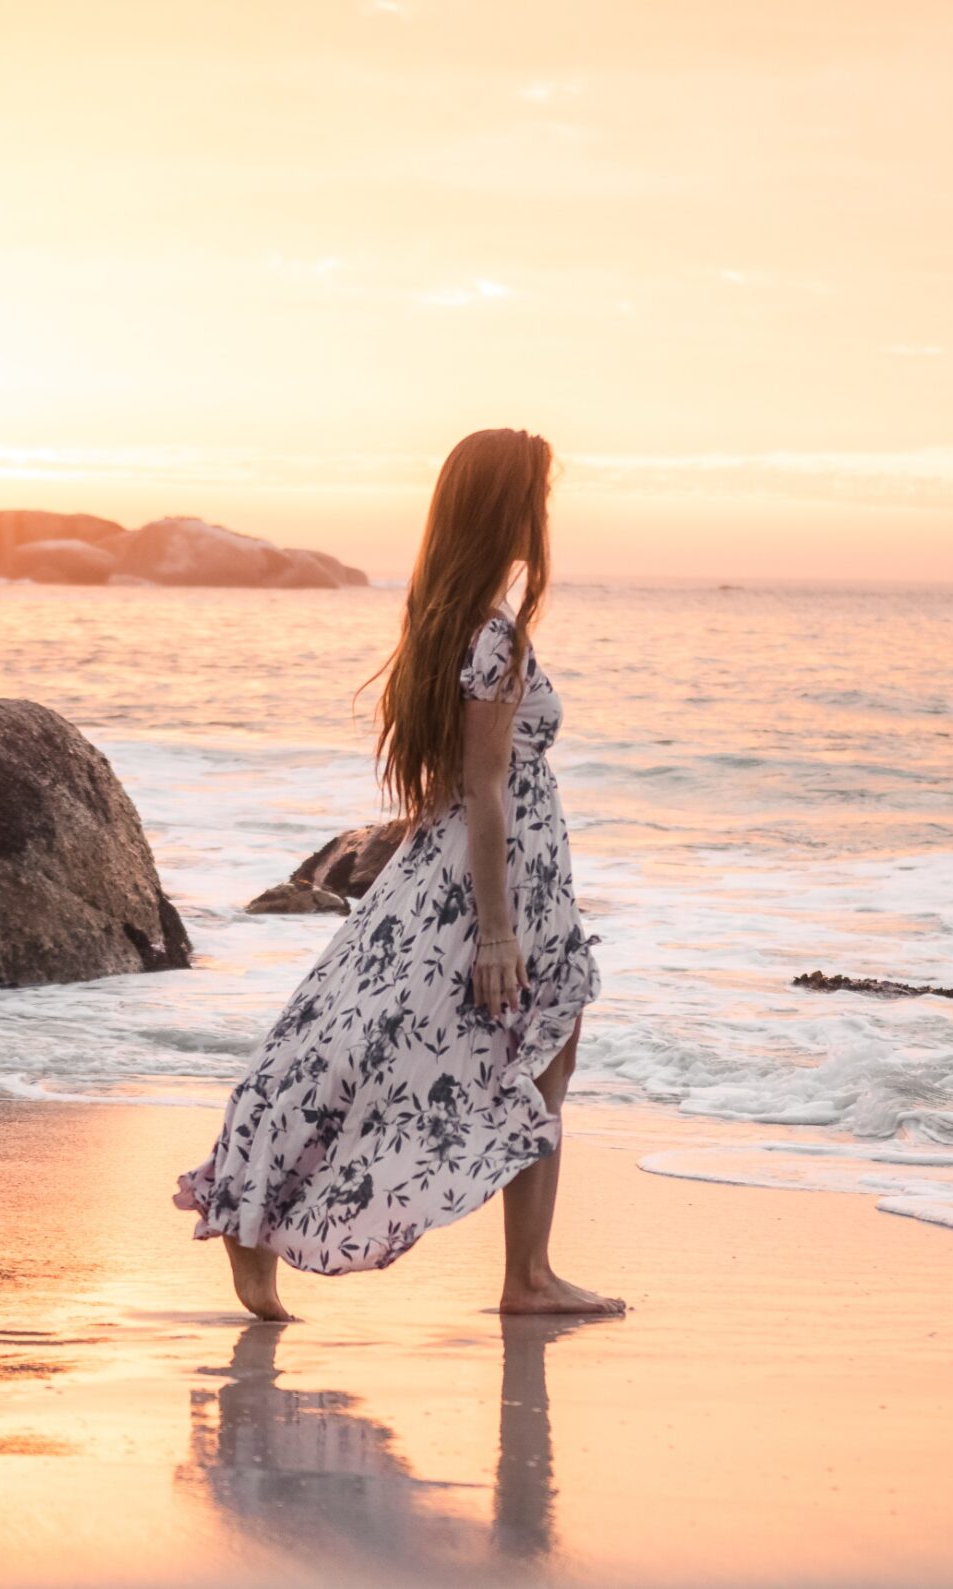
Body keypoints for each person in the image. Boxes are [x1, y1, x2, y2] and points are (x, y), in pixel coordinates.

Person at [173, 427, 620, 1321]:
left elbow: (457, 785)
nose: (546, 512)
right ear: (508, 507)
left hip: (450, 869)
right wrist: (497, 931)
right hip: (486, 883)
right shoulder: (492, 636)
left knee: (365, 1039)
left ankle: (259, 1215)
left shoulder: (444, 618)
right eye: (537, 494)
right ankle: (520, 1276)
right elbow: (488, 788)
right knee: (488, 1052)